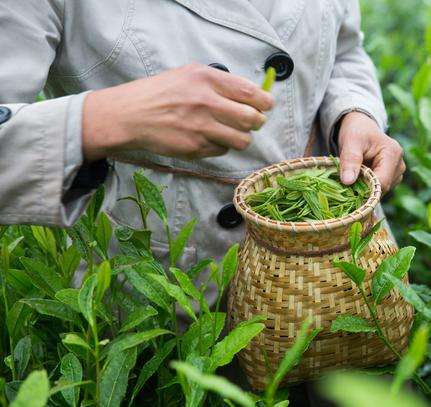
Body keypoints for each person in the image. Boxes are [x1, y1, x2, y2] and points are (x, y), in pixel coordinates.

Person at [0, 1, 404, 279]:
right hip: (171, 283)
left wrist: (353, 113)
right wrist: (102, 119)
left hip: (341, 263)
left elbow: (345, 50)